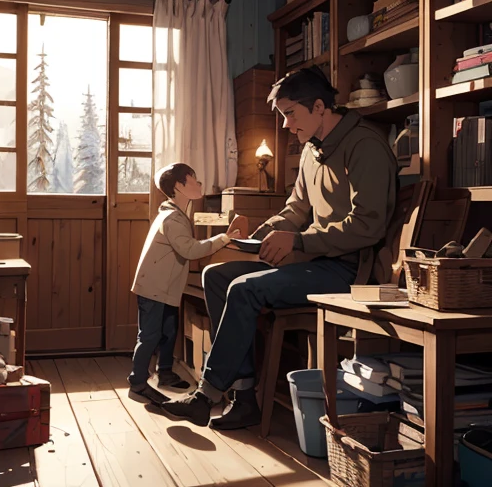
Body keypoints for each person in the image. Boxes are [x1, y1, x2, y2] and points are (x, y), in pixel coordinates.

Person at [161, 66, 398, 426]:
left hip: (349, 269)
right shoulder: (310, 151)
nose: (286, 125)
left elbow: (367, 226)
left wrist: (299, 240)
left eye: (290, 114)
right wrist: (261, 233)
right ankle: (243, 398)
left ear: (319, 107)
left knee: (243, 289)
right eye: (283, 115)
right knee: (216, 275)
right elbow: (297, 208)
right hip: (313, 259)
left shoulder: (365, 146)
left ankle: (207, 394)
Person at [128, 162, 241, 402]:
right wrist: (224, 238)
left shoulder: (174, 214)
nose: (199, 184)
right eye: (194, 179)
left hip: (164, 288)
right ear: (179, 186)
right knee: (149, 335)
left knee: (169, 330)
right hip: (154, 288)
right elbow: (189, 250)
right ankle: (137, 382)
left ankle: (165, 373)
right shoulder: (173, 219)